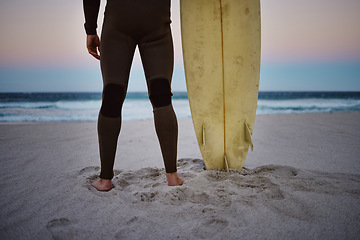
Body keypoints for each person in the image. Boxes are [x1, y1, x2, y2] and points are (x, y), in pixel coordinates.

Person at [83, 0, 184, 191]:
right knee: (161, 95)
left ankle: (105, 180)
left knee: (112, 95)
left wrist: (90, 29)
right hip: (157, 19)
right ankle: (172, 177)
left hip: (118, 18)